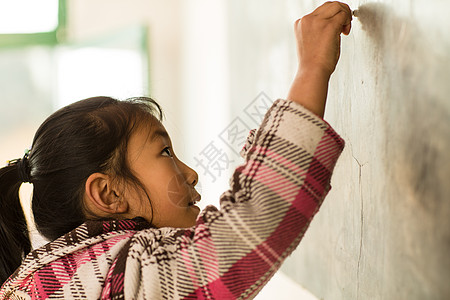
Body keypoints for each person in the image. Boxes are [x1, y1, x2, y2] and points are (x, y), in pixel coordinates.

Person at [0, 2, 352, 299]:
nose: (191, 173)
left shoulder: (48, 277)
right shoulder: (106, 272)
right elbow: (244, 231)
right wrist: (312, 69)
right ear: (108, 193)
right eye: (165, 153)